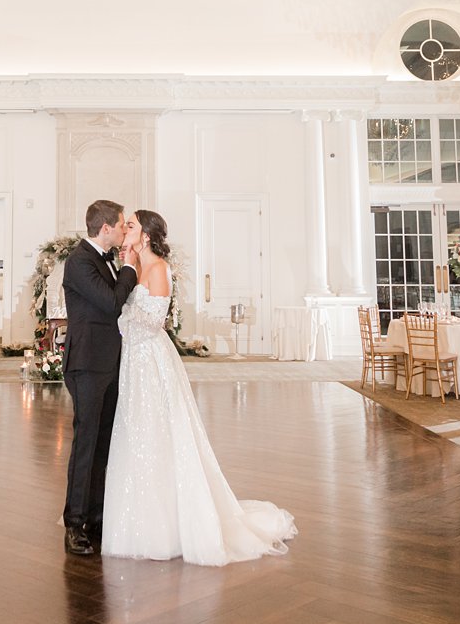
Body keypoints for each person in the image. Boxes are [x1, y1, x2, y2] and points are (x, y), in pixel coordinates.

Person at [100, 209, 297, 566]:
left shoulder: (158, 268)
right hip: (133, 360)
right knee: (136, 433)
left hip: (150, 360)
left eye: (131, 225)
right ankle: (137, 520)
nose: (124, 229)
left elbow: (153, 321)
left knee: (159, 433)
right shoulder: (134, 266)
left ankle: (173, 525)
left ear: (145, 236)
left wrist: (121, 319)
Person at [61, 199, 139, 556]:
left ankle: (95, 515)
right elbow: (110, 303)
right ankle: (74, 523)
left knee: (103, 444)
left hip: (109, 363)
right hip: (88, 365)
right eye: (122, 225)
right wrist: (128, 268)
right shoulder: (79, 261)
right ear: (106, 228)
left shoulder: (98, 260)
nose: (125, 231)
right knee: (85, 444)